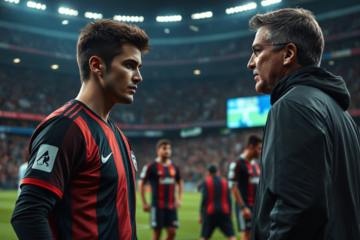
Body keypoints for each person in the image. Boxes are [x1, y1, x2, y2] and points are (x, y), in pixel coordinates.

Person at [11, 19, 150, 240]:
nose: (138, 77)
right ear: (96, 65)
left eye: (138, 67)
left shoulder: (120, 137)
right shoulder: (66, 127)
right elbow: (28, 214)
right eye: (129, 65)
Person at [247, 8, 360, 240]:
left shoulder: (292, 106)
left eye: (257, 51)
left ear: (288, 53)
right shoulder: (342, 116)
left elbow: (296, 209)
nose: (251, 63)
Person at [138, 139, 183, 240]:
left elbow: (180, 182)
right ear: (158, 151)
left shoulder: (175, 167)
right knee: (157, 233)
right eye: (164, 149)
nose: (167, 151)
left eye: (169, 148)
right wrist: (144, 202)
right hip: (157, 206)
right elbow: (141, 183)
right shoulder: (151, 166)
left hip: (171, 205)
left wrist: (179, 198)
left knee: (172, 232)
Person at [228, 135, 262, 240]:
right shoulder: (237, 163)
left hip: (257, 208)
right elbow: (233, 187)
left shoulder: (256, 165)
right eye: (259, 148)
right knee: (247, 236)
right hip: (245, 207)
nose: (261, 151)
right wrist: (242, 207)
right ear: (251, 147)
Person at [199, 165, 236, 240]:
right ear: (218, 172)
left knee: (204, 237)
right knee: (231, 236)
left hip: (210, 212)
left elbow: (204, 198)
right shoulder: (225, 181)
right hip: (224, 212)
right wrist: (230, 211)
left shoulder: (205, 182)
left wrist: (201, 214)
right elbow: (229, 198)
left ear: (208, 173)